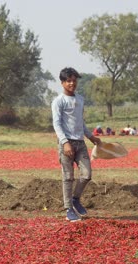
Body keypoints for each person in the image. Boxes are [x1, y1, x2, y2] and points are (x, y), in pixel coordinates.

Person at [52, 67, 101, 222]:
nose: (72, 83)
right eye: (69, 81)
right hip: (66, 143)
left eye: (74, 80)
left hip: (80, 142)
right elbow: (57, 124)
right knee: (68, 177)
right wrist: (65, 143)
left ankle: (75, 199)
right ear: (62, 83)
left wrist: (91, 137)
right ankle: (68, 209)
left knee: (86, 175)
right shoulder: (58, 101)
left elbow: (81, 122)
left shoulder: (80, 99)